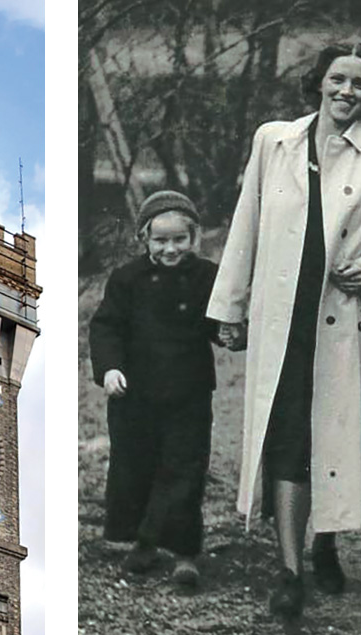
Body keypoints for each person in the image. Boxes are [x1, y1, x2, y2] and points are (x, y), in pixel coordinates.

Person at [208, 42, 361, 620]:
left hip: (345, 320)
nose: (346, 92)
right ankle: (290, 569)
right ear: (318, 82)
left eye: (360, 84)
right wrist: (230, 306)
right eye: (337, 80)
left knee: (337, 436)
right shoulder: (275, 141)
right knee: (289, 435)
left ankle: (328, 542)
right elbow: (246, 220)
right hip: (284, 315)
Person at [89, 190, 221, 587]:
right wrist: (110, 369)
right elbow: (106, 326)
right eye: (161, 241)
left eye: (179, 239)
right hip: (136, 394)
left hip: (189, 393)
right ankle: (143, 542)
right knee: (136, 468)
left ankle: (185, 553)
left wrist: (233, 332)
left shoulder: (207, 277)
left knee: (184, 468)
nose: (170, 248)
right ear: (144, 238)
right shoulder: (127, 279)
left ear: (194, 237)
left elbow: (220, 321)